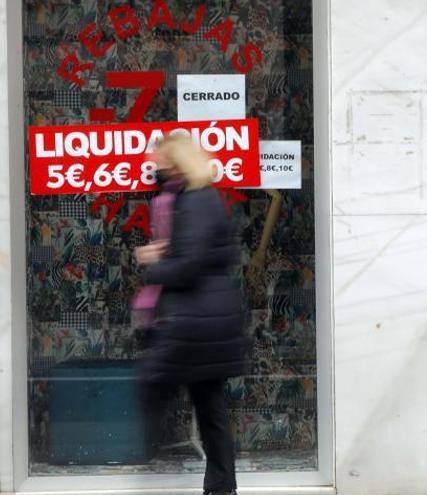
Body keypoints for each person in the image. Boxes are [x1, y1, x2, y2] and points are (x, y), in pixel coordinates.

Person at [135, 135, 247, 495]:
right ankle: (221, 487)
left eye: (160, 155)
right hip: (202, 319)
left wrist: (155, 265)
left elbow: (191, 264)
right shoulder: (186, 197)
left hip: (195, 320)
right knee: (209, 407)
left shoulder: (195, 200)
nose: (153, 160)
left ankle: (137, 454)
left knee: (154, 386)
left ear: (176, 161)